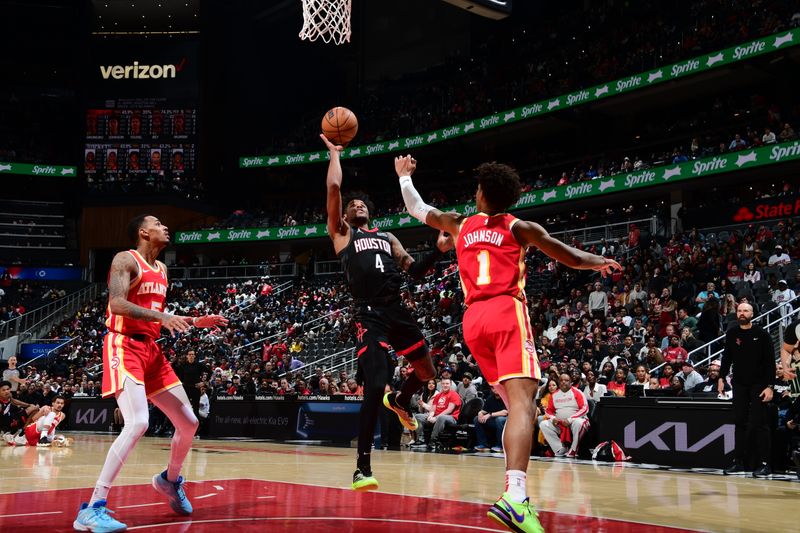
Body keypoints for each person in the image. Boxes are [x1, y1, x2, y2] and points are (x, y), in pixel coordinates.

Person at [395, 156, 619, 533]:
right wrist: (601, 262)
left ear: (481, 193)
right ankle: (515, 497)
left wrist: (404, 177)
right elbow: (572, 257)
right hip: (506, 312)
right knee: (523, 405)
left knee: (519, 409)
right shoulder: (520, 227)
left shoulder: (459, 223)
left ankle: (515, 493)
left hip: (472, 321)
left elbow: (417, 208)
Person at [74, 215, 228, 531]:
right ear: (144, 232)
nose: (165, 227)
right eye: (158, 223)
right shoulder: (124, 260)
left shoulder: (162, 270)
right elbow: (117, 304)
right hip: (123, 345)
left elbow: (156, 317)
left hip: (151, 351)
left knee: (189, 422)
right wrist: (162, 316)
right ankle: (92, 507)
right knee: (139, 422)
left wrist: (193, 321)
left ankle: (169, 480)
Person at [321, 135, 447, 491]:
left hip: (397, 309)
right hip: (369, 314)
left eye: (361, 203)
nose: (357, 205)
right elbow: (334, 187)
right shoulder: (342, 233)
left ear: (369, 211)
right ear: (345, 214)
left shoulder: (389, 237)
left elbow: (415, 270)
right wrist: (334, 155)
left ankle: (402, 400)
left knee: (427, 371)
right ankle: (362, 466)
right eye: (352, 203)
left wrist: (438, 250)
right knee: (375, 384)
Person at [719, 302, 775, 477]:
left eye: (746, 311)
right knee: (739, 422)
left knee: (759, 423)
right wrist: (721, 378)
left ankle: (765, 464)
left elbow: (770, 362)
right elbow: (727, 357)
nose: (742, 313)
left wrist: (770, 386)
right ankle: (738, 462)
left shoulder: (762, 334)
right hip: (739, 384)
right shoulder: (732, 333)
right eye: (740, 310)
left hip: (759, 384)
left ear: (753, 313)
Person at [539, 373, 590, 459]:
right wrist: (553, 418)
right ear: (558, 383)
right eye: (561, 380)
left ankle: (574, 449)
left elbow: (585, 408)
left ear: (571, 382)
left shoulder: (577, 392)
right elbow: (549, 410)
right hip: (560, 423)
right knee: (543, 424)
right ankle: (560, 448)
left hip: (577, 420)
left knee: (578, 423)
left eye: (566, 380)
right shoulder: (554, 395)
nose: (563, 382)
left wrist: (570, 419)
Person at [412, 377, 462, 450]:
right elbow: (433, 409)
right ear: (441, 384)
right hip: (436, 416)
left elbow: (449, 410)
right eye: (443, 383)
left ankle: (433, 441)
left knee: (441, 417)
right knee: (418, 416)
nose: (445, 385)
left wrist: (436, 417)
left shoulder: (454, 394)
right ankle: (421, 440)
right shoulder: (438, 395)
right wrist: (430, 415)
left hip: (451, 417)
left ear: (450, 384)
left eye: (447, 384)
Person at [473, 387, 508, 453]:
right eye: (493, 388)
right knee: (476, 419)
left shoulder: (506, 397)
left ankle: (500, 446)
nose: (495, 389)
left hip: (507, 420)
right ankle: (483, 444)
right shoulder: (490, 398)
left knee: (499, 420)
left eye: (497, 388)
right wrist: (480, 413)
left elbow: (505, 412)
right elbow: (484, 411)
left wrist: (490, 414)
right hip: (494, 420)